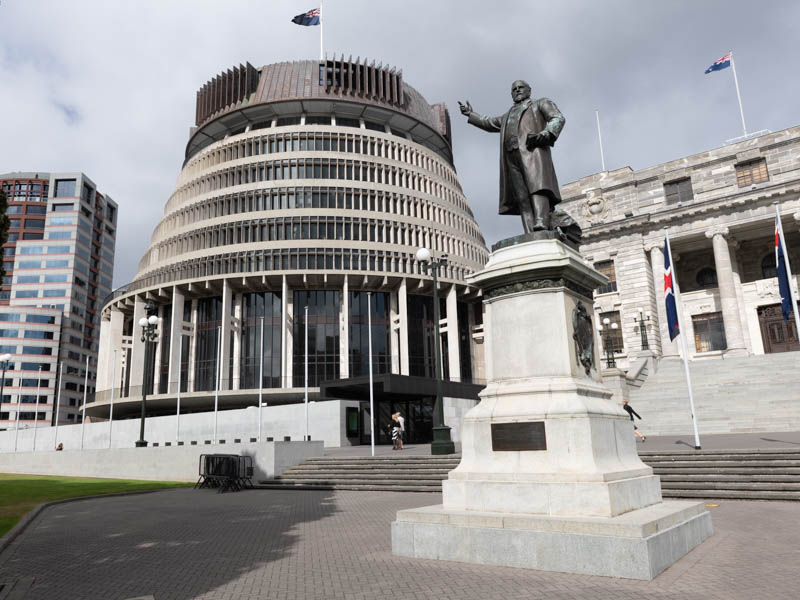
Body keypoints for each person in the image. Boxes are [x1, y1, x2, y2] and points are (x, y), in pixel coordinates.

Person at [458, 80, 566, 234]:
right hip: (512, 158)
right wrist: (470, 114)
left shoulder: (540, 103)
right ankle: (529, 231)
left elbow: (557, 118)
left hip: (532, 152)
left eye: (521, 87)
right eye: (514, 89)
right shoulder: (507, 115)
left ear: (529, 90)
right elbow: (489, 122)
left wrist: (546, 133)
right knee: (522, 197)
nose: (517, 90)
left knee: (537, 187)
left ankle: (542, 221)